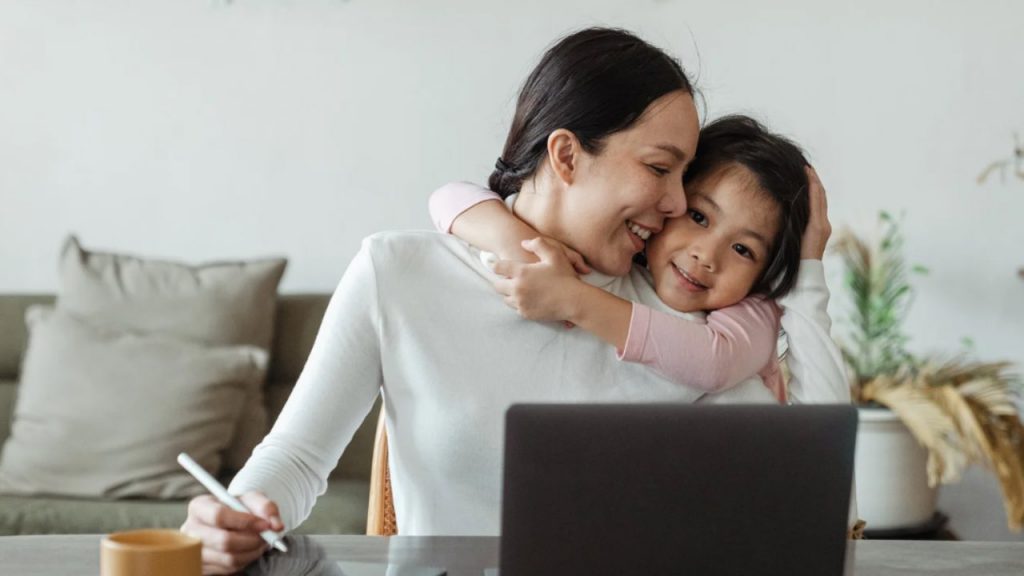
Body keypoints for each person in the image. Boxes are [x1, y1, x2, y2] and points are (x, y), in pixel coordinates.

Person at [181, 27, 849, 574]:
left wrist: (810, 272)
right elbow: (297, 460)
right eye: (658, 168)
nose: (676, 205)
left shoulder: (687, 320)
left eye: (684, 176)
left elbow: (810, 493)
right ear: (565, 155)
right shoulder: (398, 273)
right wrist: (235, 513)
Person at [427, 115, 831, 403]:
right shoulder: (623, 262)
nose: (706, 256)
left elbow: (714, 362)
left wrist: (572, 299)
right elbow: (449, 196)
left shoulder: (753, 311)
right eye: (699, 216)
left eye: (744, 250)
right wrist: (519, 244)